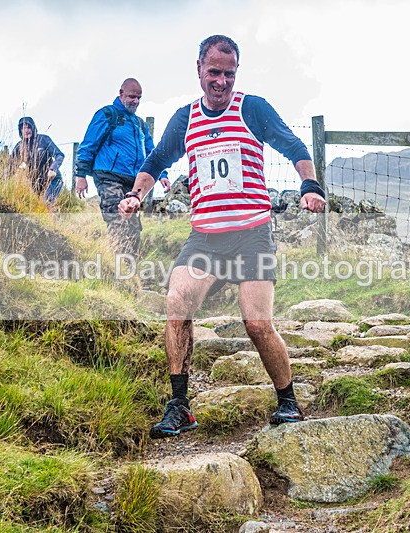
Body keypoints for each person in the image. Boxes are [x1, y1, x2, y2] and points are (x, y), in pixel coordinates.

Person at [118, 35, 326, 439]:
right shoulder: (185, 119)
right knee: (177, 302)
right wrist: (135, 195)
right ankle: (179, 405)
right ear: (198, 69)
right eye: (214, 72)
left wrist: (310, 185)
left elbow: (294, 145)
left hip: (252, 235)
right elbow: (157, 160)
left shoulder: (252, 108)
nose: (221, 81)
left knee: (257, 323)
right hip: (206, 239)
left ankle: (288, 402)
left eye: (229, 74)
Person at [74, 78, 170, 257]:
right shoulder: (107, 115)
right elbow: (88, 144)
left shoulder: (140, 124)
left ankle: (128, 272)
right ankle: (115, 268)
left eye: (139, 98)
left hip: (133, 182)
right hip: (108, 176)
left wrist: (162, 173)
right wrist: (80, 175)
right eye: (132, 96)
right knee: (117, 220)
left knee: (133, 228)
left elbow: (152, 152)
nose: (136, 101)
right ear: (121, 93)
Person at [8, 116, 64, 205]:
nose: (26, 130)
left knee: (47, 203)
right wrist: (1, 182)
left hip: (52, 180)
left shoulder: (44, 139)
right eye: (23, 128)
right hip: (35, 183)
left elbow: (59, 155)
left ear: (33, 128)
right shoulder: (19, 146)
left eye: (28, 127)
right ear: (20, 131)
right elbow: (10, 167)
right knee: (37, 207)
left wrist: (53, 168)